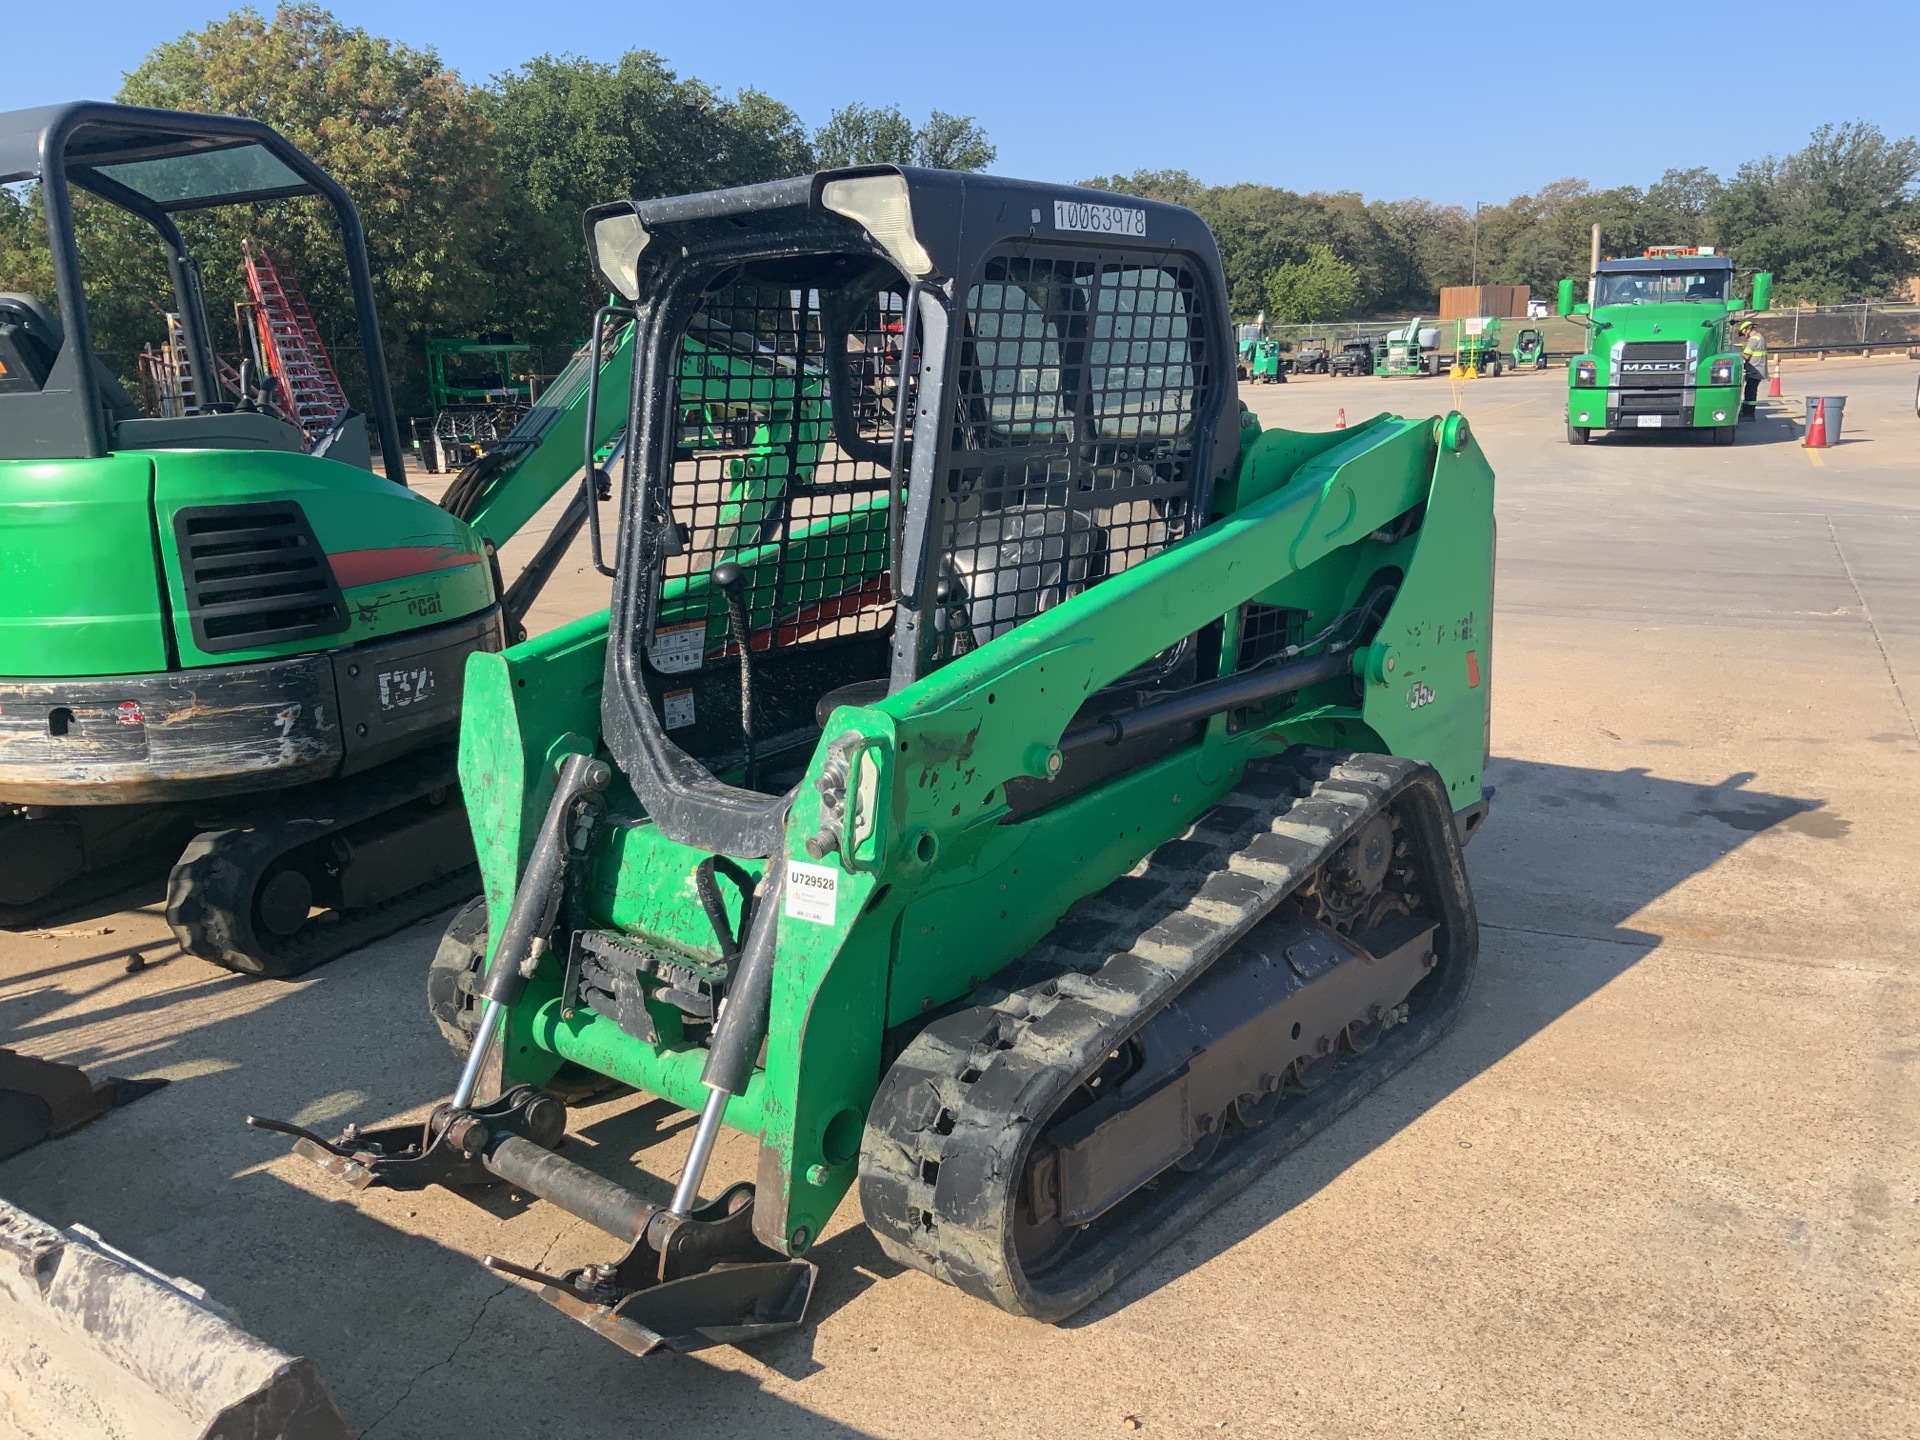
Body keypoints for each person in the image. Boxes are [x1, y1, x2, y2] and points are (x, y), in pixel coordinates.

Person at [1739, 320, 1768, 417]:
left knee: (1750, 392)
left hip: (1754, 370)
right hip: (1759, 369)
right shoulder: (1761, 338)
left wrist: (1736, 353)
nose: (1744, 335)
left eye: (1744, 332)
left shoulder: (1753, 340)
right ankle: (1749, 411)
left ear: (1747, 330)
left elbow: (1746, 356)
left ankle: (1748, 412)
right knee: (1752, 390)